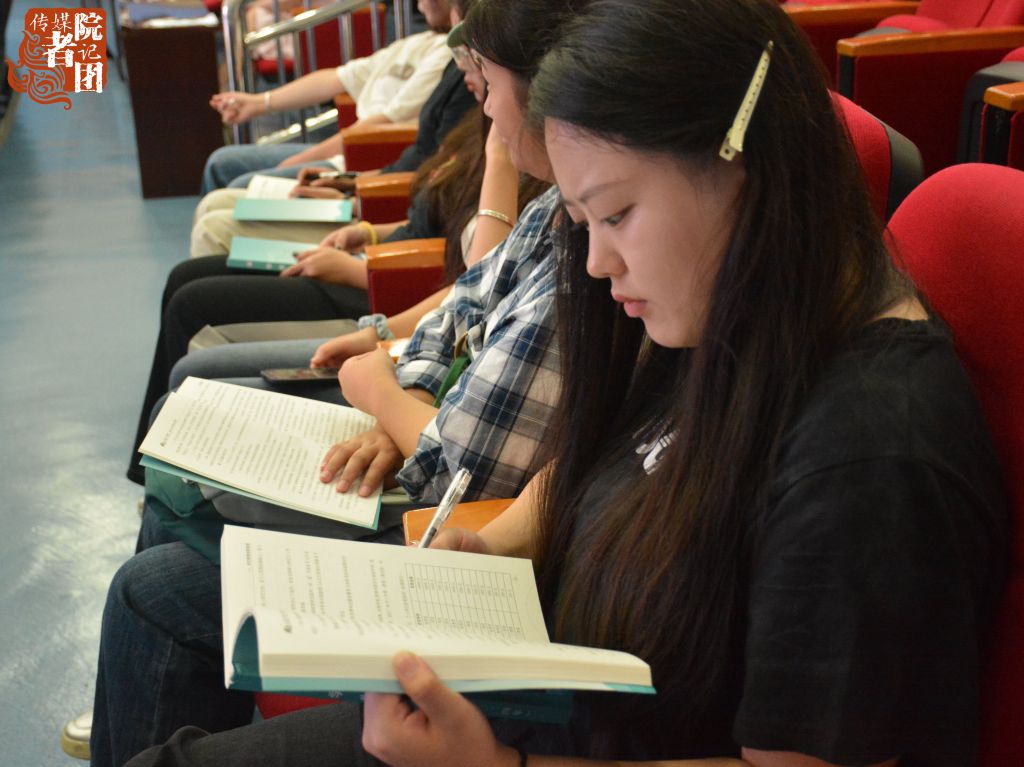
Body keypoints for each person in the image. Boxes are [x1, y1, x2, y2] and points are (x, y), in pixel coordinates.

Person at [119, 0, 1007, 765]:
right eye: (582, 220)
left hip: (555, 739)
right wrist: (493, 547)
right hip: (544, 669)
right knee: (161, 593)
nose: (597, 262)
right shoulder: (740, 304)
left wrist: (499, 763)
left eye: (616, 213)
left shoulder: (867, 458)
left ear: (744, 163)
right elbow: (627, 454)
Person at [84, 3, 574, 764]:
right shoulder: (555, 212)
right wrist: (401, 384)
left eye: (488, 81)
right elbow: (461, 309)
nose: (477, 97)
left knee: (155, 571)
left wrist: (382, 386)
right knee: (179, 476)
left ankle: (143, 684)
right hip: (421, 421)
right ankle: (137, 683)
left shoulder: (586, 251)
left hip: (438, 504)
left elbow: (458, 465)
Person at [200, 0, 461, 193]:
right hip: (343, 149)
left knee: (239, 188)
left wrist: (296, 161)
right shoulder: (419, 42)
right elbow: (336, 78)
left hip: (358, 161)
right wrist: (258, 103)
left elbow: (380, 125)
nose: (419, 3)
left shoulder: (447, 56)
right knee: (220, 163)